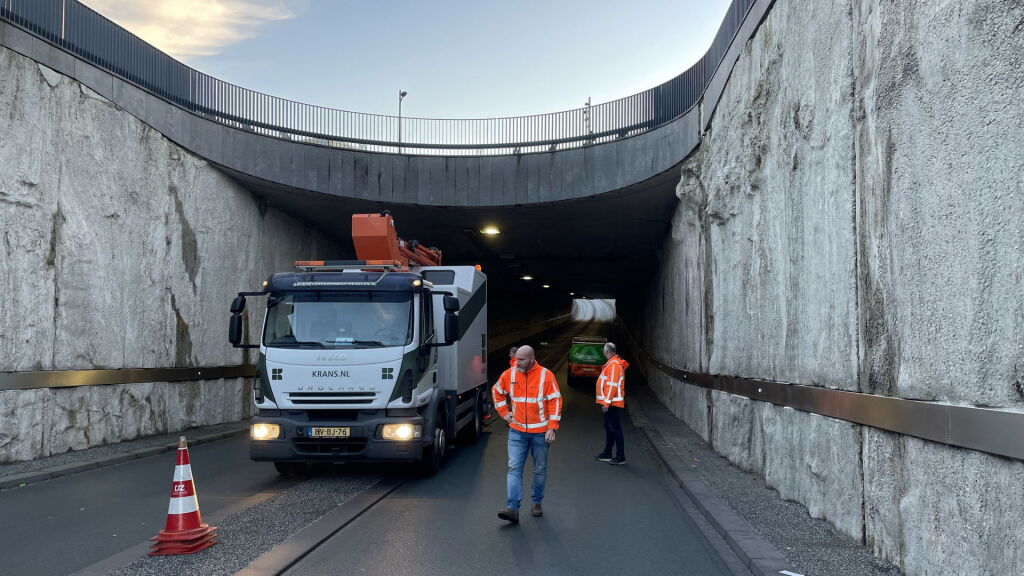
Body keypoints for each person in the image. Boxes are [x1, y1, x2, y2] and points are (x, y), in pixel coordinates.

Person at [491, 345, 562, 523]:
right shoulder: (510, 374)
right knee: (514, 468)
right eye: (516, 359)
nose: (517, 362)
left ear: (531, 359)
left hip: (540, 433)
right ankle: (512, 507)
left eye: (521, 360)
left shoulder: (546, 376)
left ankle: (536, 502)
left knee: (539, 470)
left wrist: (552, 427)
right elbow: (497, 391)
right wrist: (504, 413)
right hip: (517, 431)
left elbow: (555, 401)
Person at [594, 342, 628, 465]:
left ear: (607, 352)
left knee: (615, 429)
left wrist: (606, 403)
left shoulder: (613, 365)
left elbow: (612, 386)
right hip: (612, 403)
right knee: (610, 428)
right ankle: (607, 453)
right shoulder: (613, 363)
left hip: (613, 404)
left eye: (604, 351)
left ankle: (620, 457)